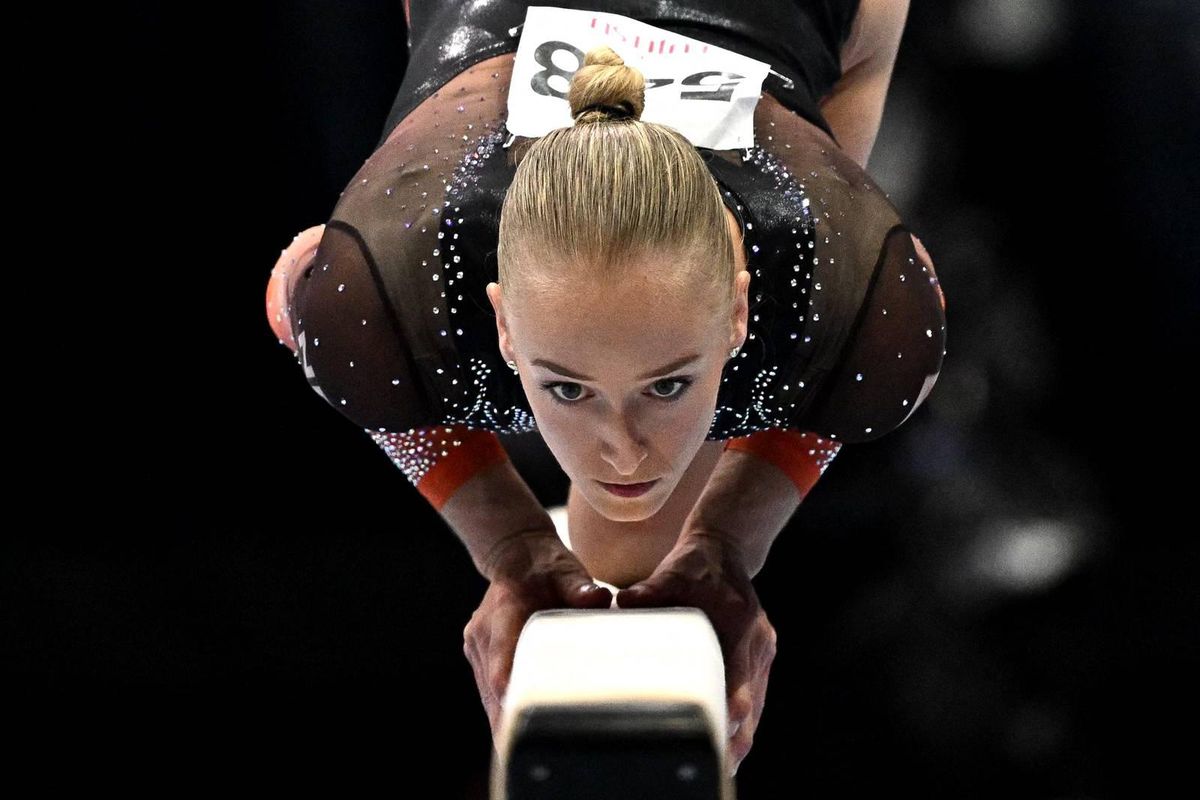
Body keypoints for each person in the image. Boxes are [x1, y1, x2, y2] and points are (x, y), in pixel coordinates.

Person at [264, 0, 945, 777]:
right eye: (568, 391)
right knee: (638, 524)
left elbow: (845, 354)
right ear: (503, 326)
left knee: (649, 518)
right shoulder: (375, 298)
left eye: (666, 385)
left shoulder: (869, 308)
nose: (621, 447)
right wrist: (510, 545)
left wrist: (731, 537)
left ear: (740, 306)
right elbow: (306, 304)